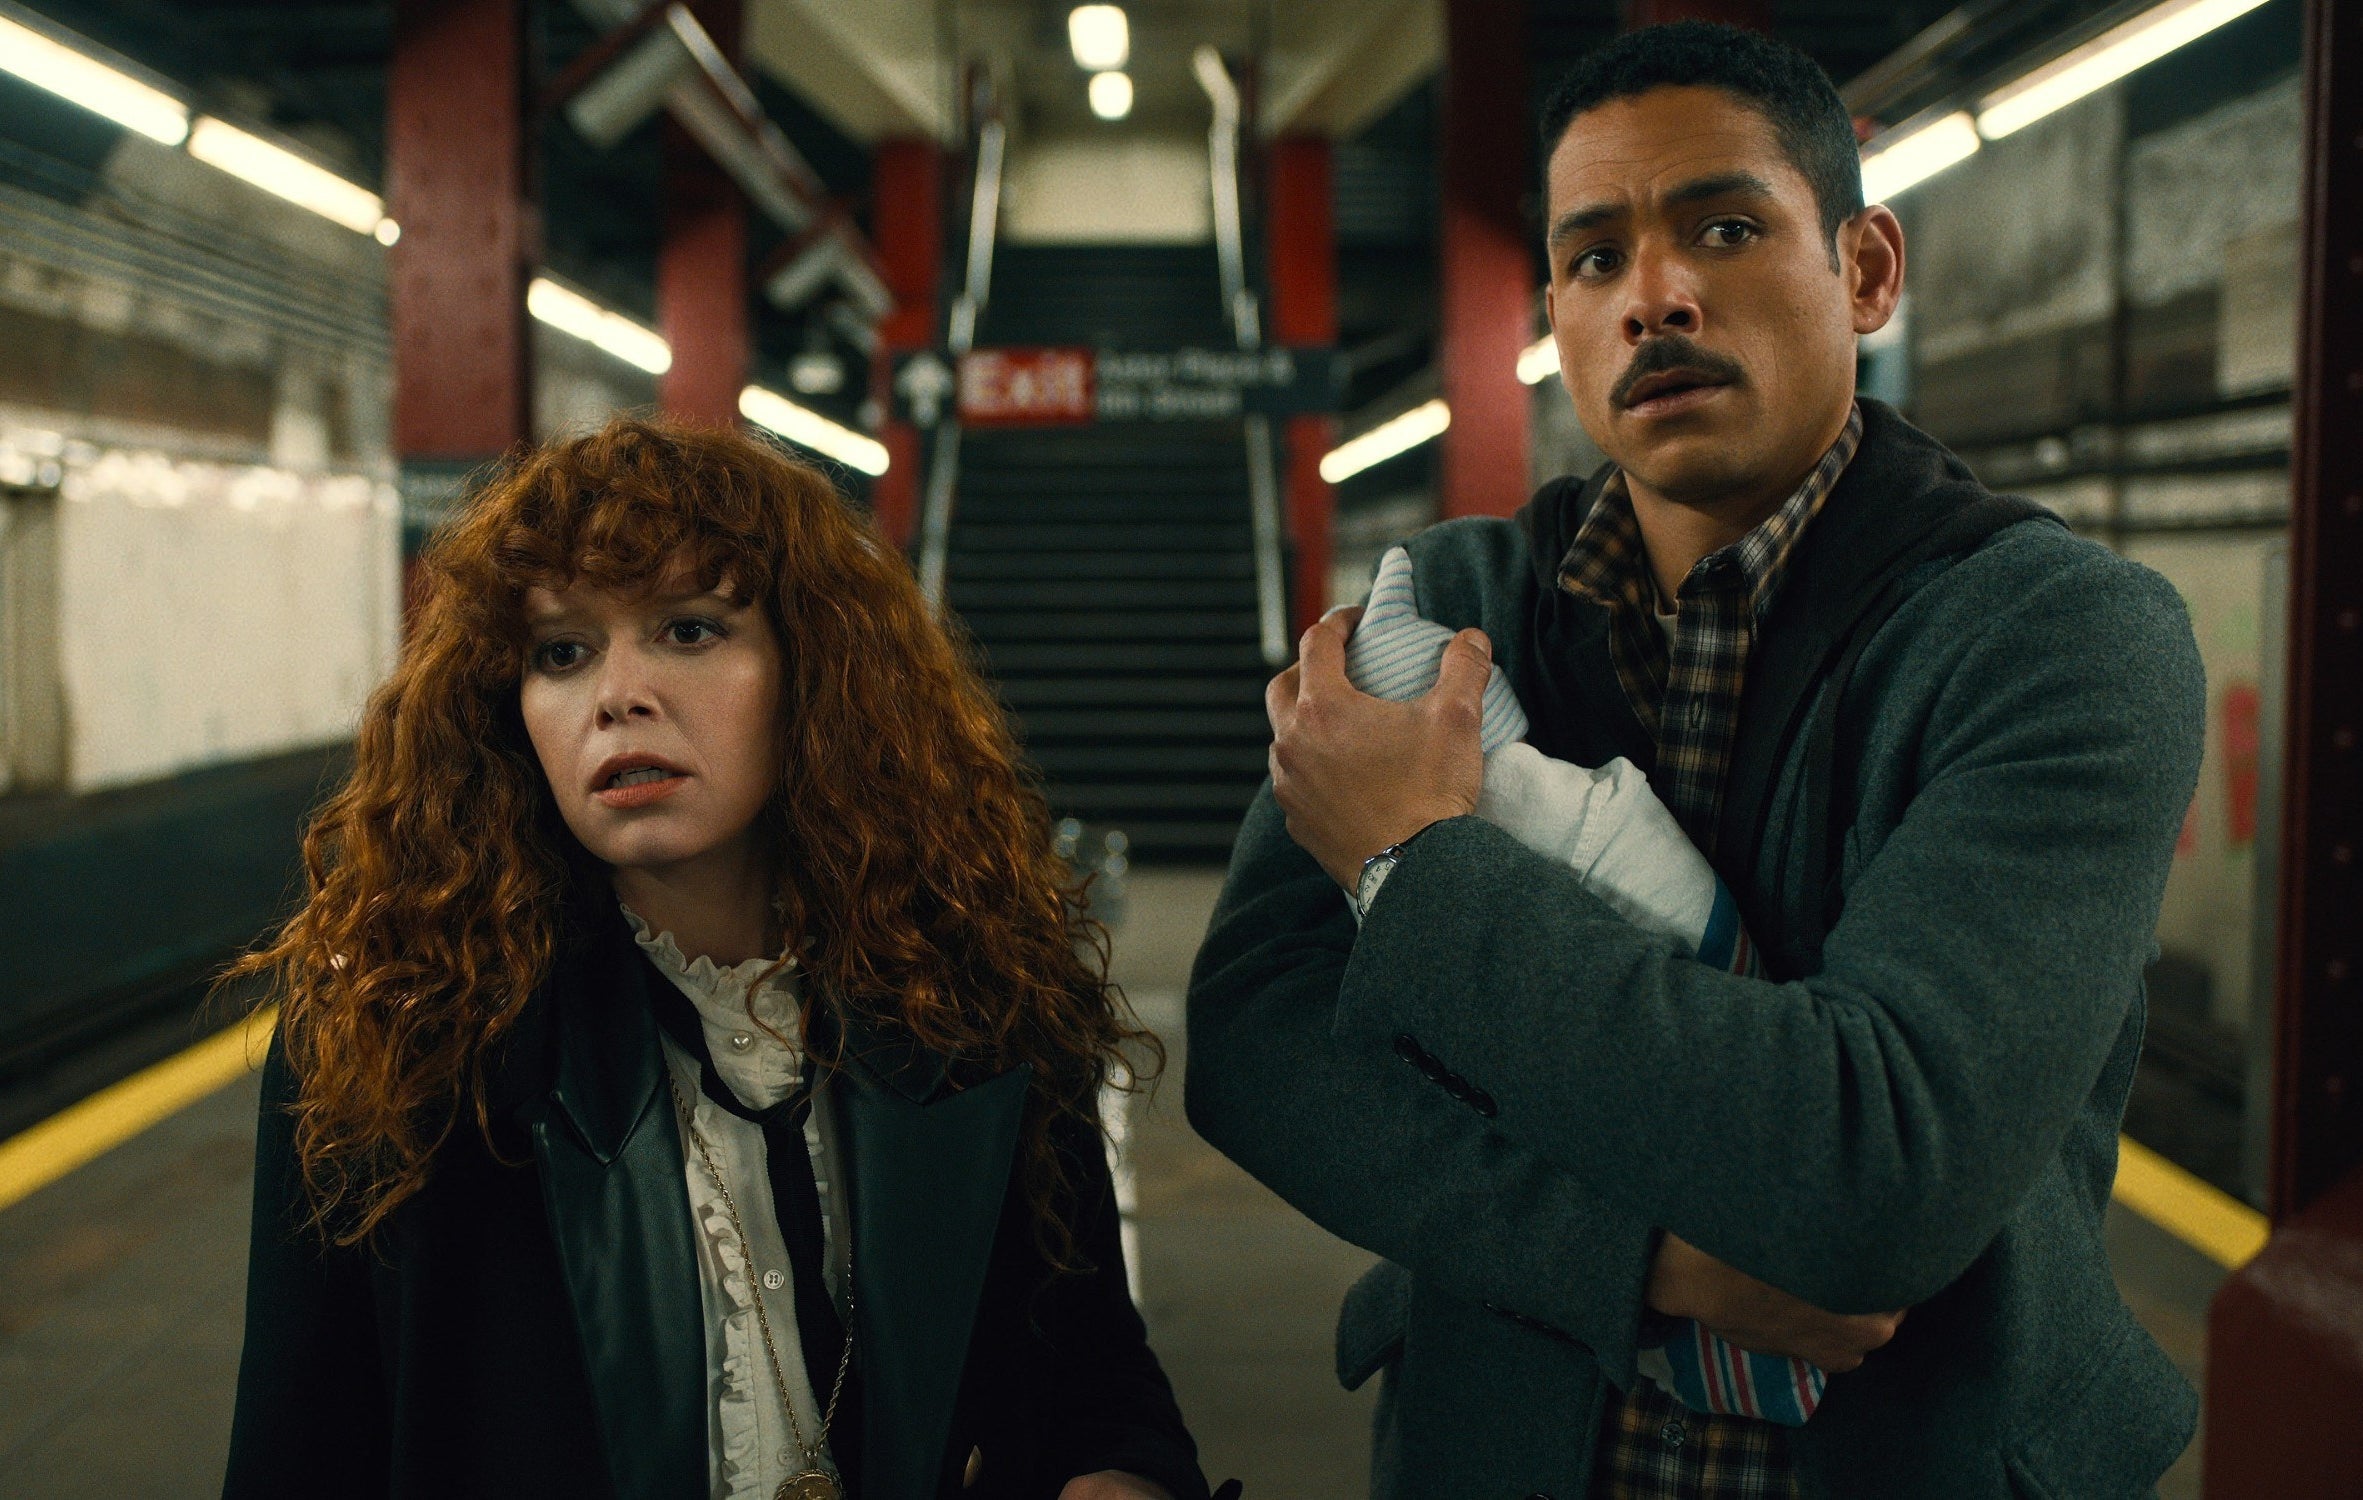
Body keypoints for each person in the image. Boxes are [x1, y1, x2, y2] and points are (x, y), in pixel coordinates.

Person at [1186, 20, 2204, 1500]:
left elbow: (1873, 1168)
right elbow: (1258, 1048)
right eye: (1592, 259)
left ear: (1862, 270)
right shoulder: (1451, 612)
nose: (1651, 296)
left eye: (1722, 229)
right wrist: (1636, 1257)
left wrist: (1414, 867)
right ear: (1552, 310)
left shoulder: (2057, 643)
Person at [221, 417, 1208, 1500]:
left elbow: (1095, 1377)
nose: (618, 694)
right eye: (561, 652)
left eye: (689, 631)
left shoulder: (977, 994)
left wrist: (1117, 1475)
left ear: (815, 674)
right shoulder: (397, 1038)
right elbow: (298, 1450)